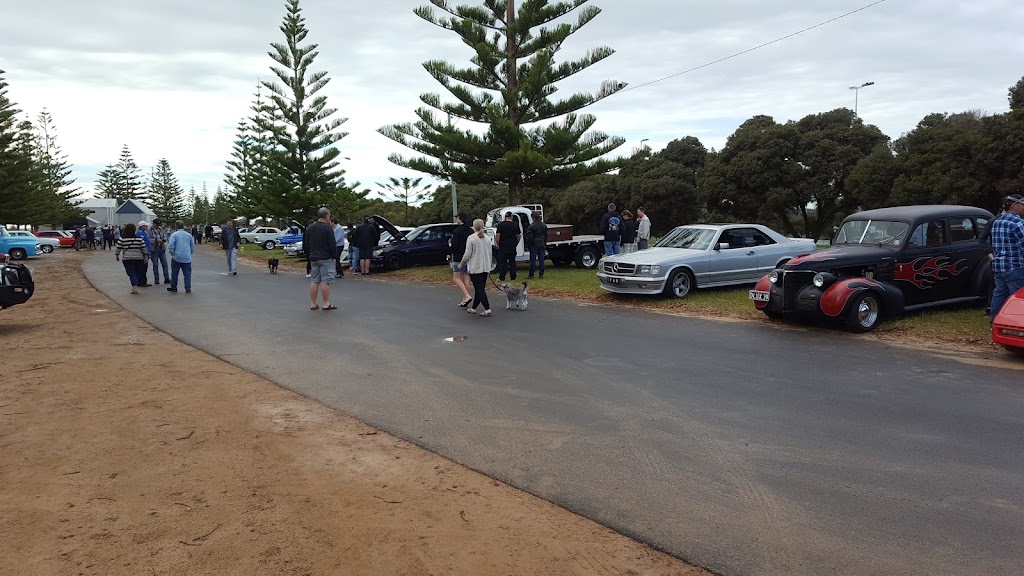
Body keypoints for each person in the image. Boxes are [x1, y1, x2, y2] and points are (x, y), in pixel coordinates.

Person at [990, 194, 1024, 322]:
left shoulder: (997, 222)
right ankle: (1016, 323)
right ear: (1015, 206)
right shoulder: (1018, 223)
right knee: (1017, 297)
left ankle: (995, 321)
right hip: (1015, 266)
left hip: (998, 265)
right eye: (1022, 205)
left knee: (999, 293)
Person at [981, 197, 1014, 315]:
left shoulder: (1017, 220)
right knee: (996, 286)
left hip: (1009, 260)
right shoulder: (994, 221)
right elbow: (982, 239)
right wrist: (990, 255)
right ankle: (991, 309)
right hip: (997, 259)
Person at [459, 219, 493, 317]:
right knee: (480, 288)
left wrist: (462, 263)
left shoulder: (471, 238)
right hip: (485, 266)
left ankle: (487, 308)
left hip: (475, 267)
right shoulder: (487, 238)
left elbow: (467, 253)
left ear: (474, 226)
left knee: (479, 288)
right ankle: (474, 308)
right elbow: (490, 254)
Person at [307, 208, 338, 310]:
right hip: (325, 257)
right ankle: (326, 303)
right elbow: (332, 244)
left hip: (313, 257)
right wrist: (334, 256)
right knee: (326, 281)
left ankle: (313, 303)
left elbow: (306, 243)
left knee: (314, 280)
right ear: (327, 216)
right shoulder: (328, 228)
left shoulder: (310, 228)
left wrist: (309, 254)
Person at [114, 223, 149, 294]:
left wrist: (117, 255)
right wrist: (145, 256)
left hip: (127, 258)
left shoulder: (122, 238)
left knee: (131, 273)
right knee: (136, 272)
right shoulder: (139, 238)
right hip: (139, 258)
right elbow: (143, 248)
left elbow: (118, 248)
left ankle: (134, 287)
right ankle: (135, 283)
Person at [450, 212, 474, 306]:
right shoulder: (470, 230)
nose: (457, 220)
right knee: (466, 277)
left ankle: (467, 296)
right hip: (468, 256)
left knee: (456, 278)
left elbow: (454, 245)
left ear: (460, 219)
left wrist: (452, 250)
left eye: (457, 218)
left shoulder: (457, 231)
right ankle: (465, 299)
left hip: (458, 257)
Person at [166, 220, 195, 294]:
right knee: (187, 273)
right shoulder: (188, 235)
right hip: (186, 257)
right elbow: (192, 247)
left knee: (175, 273)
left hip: (177, 257)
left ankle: (174, 287)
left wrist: (173, 254)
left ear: (176, 226)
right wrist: (189, 253)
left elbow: (170, 246)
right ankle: (187, 288)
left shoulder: (174, 235)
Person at [494, 211, 521, 281]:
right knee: (512, 262)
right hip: (512, 246)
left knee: (503, 263)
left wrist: (497, 244)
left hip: (503, 246)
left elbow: (498, 235)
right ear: (511, 217)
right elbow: (518, 236)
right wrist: (516, 243)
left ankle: (502, 277)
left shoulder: (501, 225)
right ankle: (513, 277)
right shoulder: (515, 225)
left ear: (505, 217)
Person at [524, 210, 547, 279]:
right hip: (541, 243)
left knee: (533, 260)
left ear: (533, 217)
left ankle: (531, 274)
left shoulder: (531, 226)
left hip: (534, 244)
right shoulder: (543, 225)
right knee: (541, 260)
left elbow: (529, 237)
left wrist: (528, 244)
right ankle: (541, 274)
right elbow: (546, 235)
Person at [149, 219, 170, 284]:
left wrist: (163, 240)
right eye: (157, 225)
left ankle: (166, 278)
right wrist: (155, 240)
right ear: (153, 224)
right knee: (155, 265)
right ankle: (156, 279)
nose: (158, 226)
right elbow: (148, 239)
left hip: (161, 248)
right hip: (154, 249)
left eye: (159, 225)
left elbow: (165, 237)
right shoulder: (149, 230)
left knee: (165, 264)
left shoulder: (161, 230)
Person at [137, 221, 153, 286]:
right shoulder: (141, 233)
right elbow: (143, 243)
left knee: (142, 267)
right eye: (145, 226)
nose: (147, 227)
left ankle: (141, 281)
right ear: (142, 226)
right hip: (143, 252)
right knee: (143, 267)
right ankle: (142, 281)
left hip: (145, 251)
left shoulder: (143, 232)